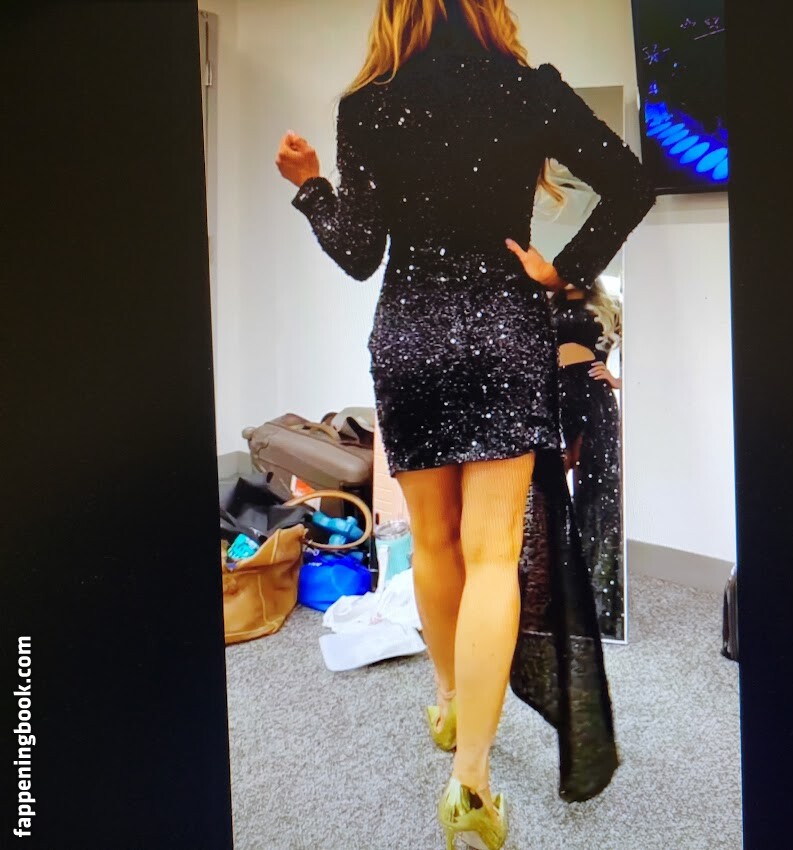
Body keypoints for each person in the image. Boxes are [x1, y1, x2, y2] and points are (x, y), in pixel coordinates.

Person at [273, 2, 654, 847]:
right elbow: (633, 181)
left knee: (435, 545)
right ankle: (471, 781)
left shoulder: (366, 104)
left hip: (409, 337)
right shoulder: (530, 89)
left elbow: (359, 253)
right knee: (491, 557)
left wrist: (309, 185)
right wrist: (566, 271)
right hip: (504, 333)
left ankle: (449, 703)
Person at [551, 280, 626, 640]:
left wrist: (619, 380)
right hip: (555, 401)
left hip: (595, 400)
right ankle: (561, 591)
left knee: (595, 492)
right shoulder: (544, 306)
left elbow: (652, 347)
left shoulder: (610, 308)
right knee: (551, 488)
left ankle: (596, 596)